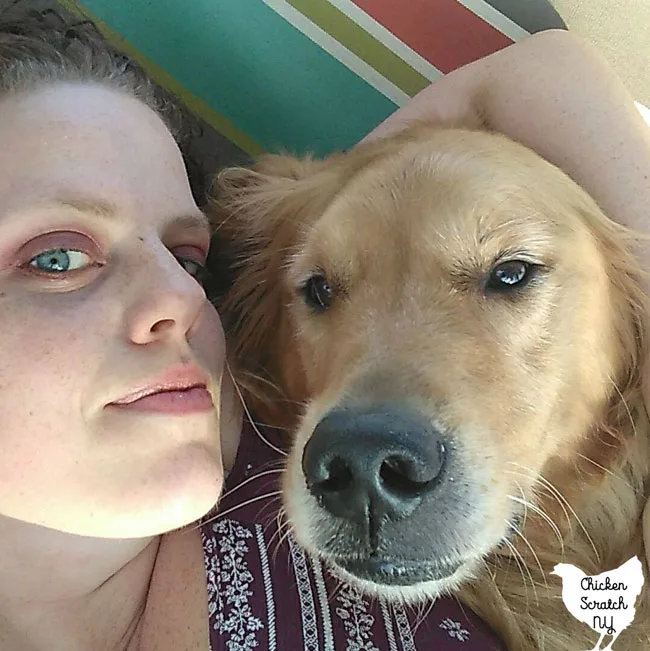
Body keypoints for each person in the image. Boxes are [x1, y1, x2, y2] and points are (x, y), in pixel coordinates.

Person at [0, 4, 648, 651]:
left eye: (188, 258)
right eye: (57, 258)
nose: (186, 299)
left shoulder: (229, 397)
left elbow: (540, 74)